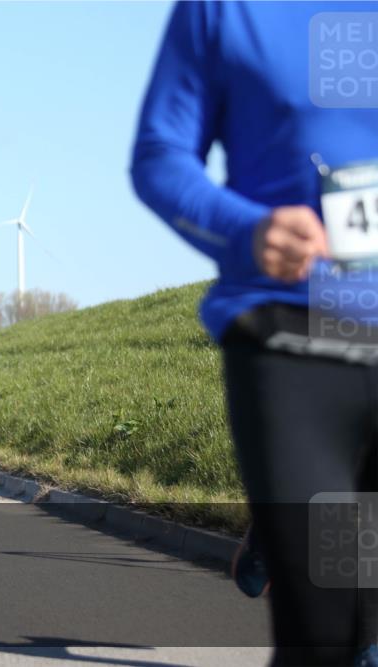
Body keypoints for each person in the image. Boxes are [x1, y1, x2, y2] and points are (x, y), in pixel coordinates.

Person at [131, 3, 377, 664]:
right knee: (326, 624)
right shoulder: (223, 11)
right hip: (293, 342)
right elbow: (159, 156)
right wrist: (247, 231)